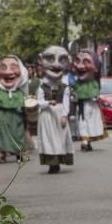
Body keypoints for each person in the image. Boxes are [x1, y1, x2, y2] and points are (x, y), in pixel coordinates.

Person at [36, 45, 74, 174]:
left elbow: (67, 102)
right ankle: (52, 163)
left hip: (59, 114)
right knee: (49, 139)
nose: (56, 65)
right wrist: (48, 103)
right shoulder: (42, 86)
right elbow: (39, 102)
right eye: (50, 59)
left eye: (62, 60)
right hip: (47, 116)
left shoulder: (65, 87)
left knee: (60, 138)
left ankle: (59, 160)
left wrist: (64, 115)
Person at [0, 55, 29, 163]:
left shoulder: (20, 93)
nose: (8, 72)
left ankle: (19, 154)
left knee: (18, 136)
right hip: (2, 119)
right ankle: (2, 155)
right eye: (3, 68)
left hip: (17, 119)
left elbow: (25, 106)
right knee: (1, 137)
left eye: (14, 67)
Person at [73, 49, 107, 151]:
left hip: (91, 105)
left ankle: (87, 141)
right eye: (77, 61)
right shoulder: (77, 83)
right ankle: (85, 141)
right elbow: (74, 91)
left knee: (90, 122)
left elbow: (95, 90)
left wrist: (94, 96)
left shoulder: (94, 83)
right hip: (81, 105)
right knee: (82, 122)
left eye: (86, 62)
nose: (80, 66)